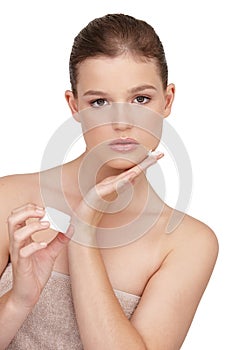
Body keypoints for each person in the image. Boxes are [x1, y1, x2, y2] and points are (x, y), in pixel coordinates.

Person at [0, 13, 218, 350]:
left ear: (168, 100)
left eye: (140, 99)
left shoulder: (187, 242)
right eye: (99, 102)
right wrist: (18, 300)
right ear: (75, 106)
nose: (121, 122)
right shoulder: (11, 200)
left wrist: (83, 232)